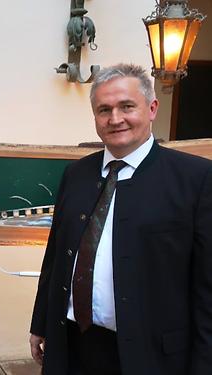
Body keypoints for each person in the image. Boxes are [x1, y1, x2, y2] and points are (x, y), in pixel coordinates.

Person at [29, 63, 212, 375]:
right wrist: (41, 321)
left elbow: (207, 288)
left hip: (152, 355)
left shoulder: (196, 179)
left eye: (127, 107)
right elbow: (56, 256)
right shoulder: (76, 174)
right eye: (104, 110)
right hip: (73, 344)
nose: (115, 119)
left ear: (152, 108)